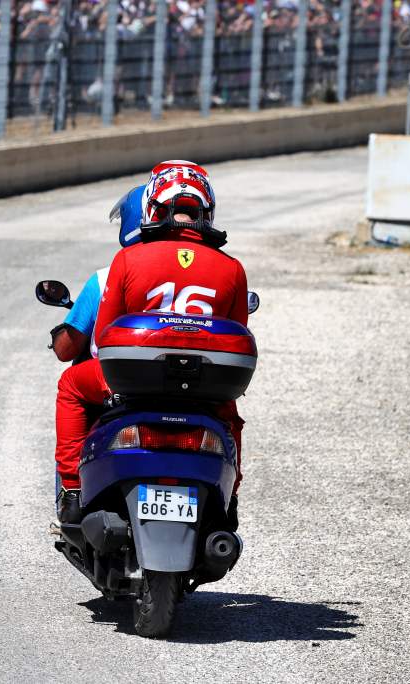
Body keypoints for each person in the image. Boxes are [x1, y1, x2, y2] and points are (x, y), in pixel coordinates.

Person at [54, 161, 249, 526]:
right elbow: (238, 333)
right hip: (204, 387)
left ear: (152, 208)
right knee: (231, 418)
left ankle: (71, 490)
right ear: (206, 211)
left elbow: (104, 334)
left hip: (131, 381)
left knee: (70, 386)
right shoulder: (232, 268)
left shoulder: (128, 259)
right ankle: (230, 500)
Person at [50, 184, 145, 363]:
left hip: (121, 380)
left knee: (68, 384)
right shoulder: (205, 272)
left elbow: (66, 350)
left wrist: (58, 334)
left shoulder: (104, 279)